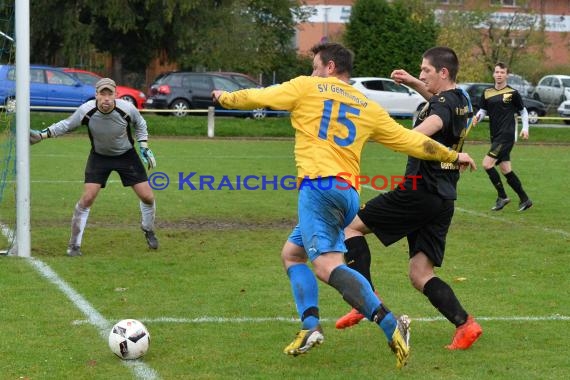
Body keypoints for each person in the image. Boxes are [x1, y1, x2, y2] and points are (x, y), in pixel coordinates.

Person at [212, 42, 476, 368]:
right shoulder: (366, 103)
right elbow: (410, 140)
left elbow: (260, 96)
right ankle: (310, 326)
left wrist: (225, 98)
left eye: (315, 66)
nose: (312, 72)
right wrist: (453, 155)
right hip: (347, 193)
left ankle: (389, 322)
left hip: (318, 188)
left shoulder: (306, 86)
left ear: (330, 67)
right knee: (292, 254)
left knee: (326, 266)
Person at [334, 47, 483, 351]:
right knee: (420, 274)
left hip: (418, 191)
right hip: (443, 198)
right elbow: (439, 101)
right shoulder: (461, 99)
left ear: (443, 73)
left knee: (349, 227)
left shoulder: (441, 105)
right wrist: (413, 82)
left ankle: (365, 301)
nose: (422, 74)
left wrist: (403, 135)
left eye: (426, 70)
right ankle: (465, 325)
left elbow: (430, 125)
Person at [30, 78, 159, 256]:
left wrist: (144, 146)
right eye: (102, 94)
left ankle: (148, 229)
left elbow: (141, 124)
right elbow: (66, 125)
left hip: (127, 156)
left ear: (116, 95)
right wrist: (42, 135)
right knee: (87, 198)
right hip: (99, 157)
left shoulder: (127, 108)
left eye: (110, 94)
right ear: (96, 95)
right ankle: (74, 245)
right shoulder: (86, 110)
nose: (106, 98)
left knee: (147, 197)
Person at [475, 62, 532, 212]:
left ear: (507, 75)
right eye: (497, 72)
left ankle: (502, 196)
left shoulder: (512, 93)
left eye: (502, 72)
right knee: (506, 169)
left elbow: (523, 111)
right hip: (495, 135)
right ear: (493, 74)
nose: (499, 74)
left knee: (487, 164)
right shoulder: (487, 92)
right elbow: (482, 110)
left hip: (506, 136)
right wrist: (476, 118)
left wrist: (525, 129)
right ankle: (525, 199)